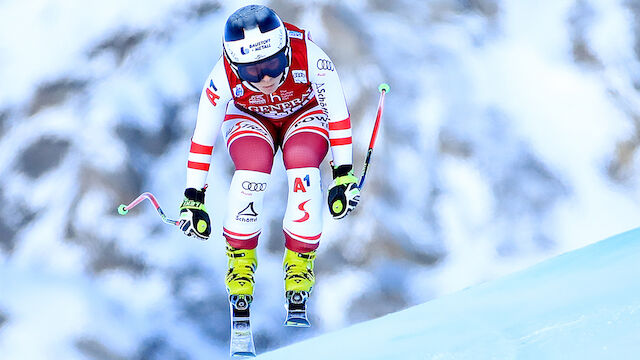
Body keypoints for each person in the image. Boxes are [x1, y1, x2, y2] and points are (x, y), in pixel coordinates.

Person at [177, 4, 360, 311]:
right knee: (253, 167)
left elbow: (337, 115)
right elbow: (202, 138)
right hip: (249, 117)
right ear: (235, 67)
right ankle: (240, 262)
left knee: (303, 163)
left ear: (287, 50)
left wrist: (343, 174)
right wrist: (193, 197)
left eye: (274, 65)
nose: (265, 79)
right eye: (252, 71)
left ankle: (300, 263)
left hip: (304, 113)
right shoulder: (221, 75)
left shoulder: (312, 56)